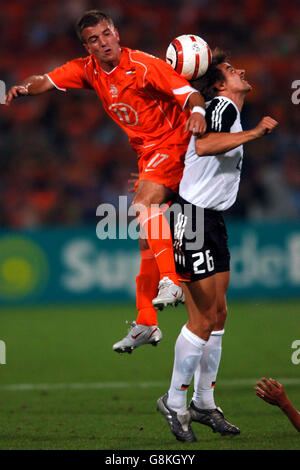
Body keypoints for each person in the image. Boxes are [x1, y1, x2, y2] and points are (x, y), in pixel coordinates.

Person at [5, 10, 207, 352]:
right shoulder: (88, 70)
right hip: (147, 153)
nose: (103, 43)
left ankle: (172, 281)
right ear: (87, 46)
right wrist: (26, 88)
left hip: (174, 144)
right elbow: (47, 79)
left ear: (116, 32)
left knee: (143, 205)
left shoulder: (144, 65)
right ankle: (146, 322)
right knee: (147, 241)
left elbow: (189, 95)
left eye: (106, 34)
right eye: (94, 40)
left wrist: (199, 115)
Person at [156, 48, 278, 442]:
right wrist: (256, 133)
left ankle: (204, 403)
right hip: (194, 218)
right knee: (203, 319)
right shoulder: (221, 106)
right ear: (221, 84)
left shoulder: (227, 109)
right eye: (230, 68)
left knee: (218, 315)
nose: (241, 69)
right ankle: (175, 402)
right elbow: (206, 145)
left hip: (210, 219)